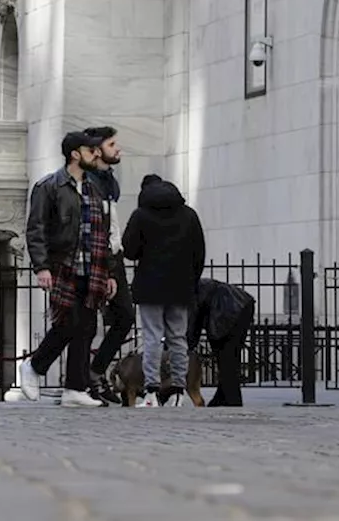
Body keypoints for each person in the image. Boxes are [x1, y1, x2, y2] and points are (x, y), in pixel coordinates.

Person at [19, 131, 119, 407]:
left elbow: (104, 231)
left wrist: (109, 272)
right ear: (75, 154)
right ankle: (34, 366)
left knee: (87, 327)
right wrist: (42, 267)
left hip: (93, 267)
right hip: (63, 265)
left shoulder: (94, 188)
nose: (95, 154)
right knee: (68, 323)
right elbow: (36, 229)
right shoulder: (49, 186)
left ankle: (75, 388)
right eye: (90, 151)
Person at [122, 174, 205, 407]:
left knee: (152, 338)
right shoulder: (189, 215)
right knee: (178, 338)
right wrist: (191, 279)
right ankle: (178, 389)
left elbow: (129, 250)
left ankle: (151, 390)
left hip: (150, 285)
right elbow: (199, 252)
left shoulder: (141, 215)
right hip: (180, 285)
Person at [82, 125, 132, 406]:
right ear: (98, 150)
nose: (119, 149)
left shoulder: (108, 180)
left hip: (114, 254)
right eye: (113, 144)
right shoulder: (89, 182)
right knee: (86, 323)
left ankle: (95, 371)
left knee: (124, 317)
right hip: (99, 258)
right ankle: (84, 379)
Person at [188, 278, 255, 406]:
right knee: (228, 356)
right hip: (241, 305)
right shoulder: (194, 286)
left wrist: (187, 346)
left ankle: (232, 399)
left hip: (229, 311)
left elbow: (193, 324)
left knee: (227, 356)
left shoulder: (188, 293)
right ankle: (223, 396)